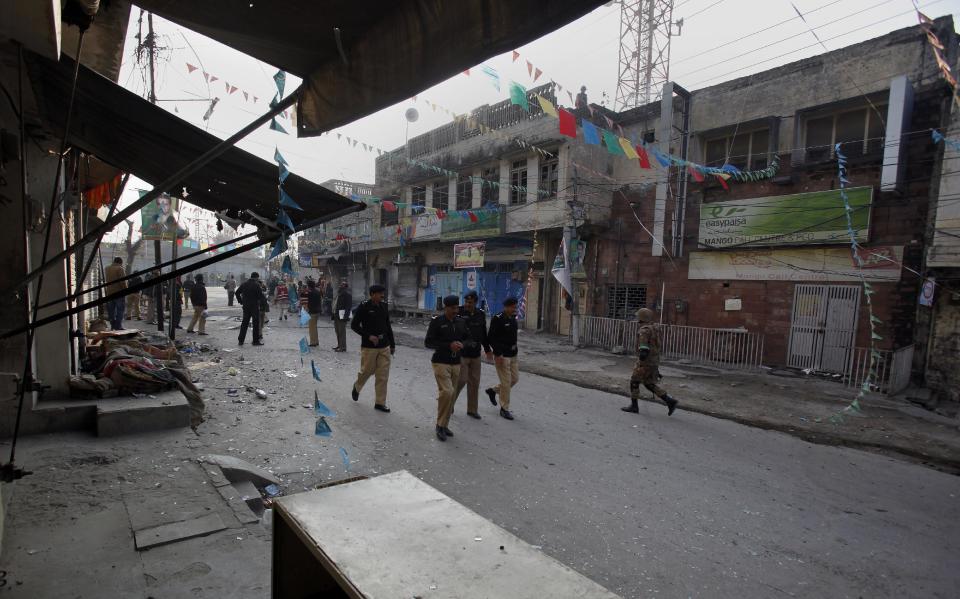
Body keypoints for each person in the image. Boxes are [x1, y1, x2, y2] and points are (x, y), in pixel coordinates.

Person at [425, 295, 473, 441]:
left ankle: (444, 425)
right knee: (447, 391)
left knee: (450, 395)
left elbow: (469, 339)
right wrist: (448, 345)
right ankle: (440, 425)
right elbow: (428, 342)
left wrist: (462, 344)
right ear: (445, 308)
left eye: (457, 308)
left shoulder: (461, 322)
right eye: (452, 308)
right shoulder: (437, 322)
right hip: (440, 362)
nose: (455, 310)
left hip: (456, 363)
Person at [622, 308, 679, 416]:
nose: (637, 319)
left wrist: (640, 364)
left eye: (638, 317)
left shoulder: (644, 330)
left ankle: (634, 406)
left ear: (641, 318)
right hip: (654, 360)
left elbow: (644, 349)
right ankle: (670, 401)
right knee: (648, 383)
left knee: (634, 381)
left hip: (646, 361)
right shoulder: (655, 328)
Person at [350, 284, 395, 412]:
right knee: (367, 371)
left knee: (382, 375)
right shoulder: (364, 306)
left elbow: (388, 326)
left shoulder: (384, 306)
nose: (382, 296)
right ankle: (357, 387)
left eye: (382, 293)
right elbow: (354, 325)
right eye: (380, 293)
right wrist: (368, 336)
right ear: (372, 294)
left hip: (384, 345)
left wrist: (392, 344)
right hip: (369, 346)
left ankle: (380, 403)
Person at [451, 291, 492, 420]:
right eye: (466, 302)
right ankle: (449, 403)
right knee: (461, 380)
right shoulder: (459, 312)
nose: (467, 304)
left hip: (476, 354)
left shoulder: (480, 314)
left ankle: (472, 410)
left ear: (475, 302)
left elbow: (483, 333)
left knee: (474, 382)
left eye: (470, 302)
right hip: (462, 353)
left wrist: (487, 349)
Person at [485, 297, 520, 420]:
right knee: (506, 382)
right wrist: (497, 354)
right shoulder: (498, 318)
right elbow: (491, 338)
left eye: (516, 307)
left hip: (513, 354)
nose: (515, 309)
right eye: (513, 307)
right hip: (502, 355)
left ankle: (493, 391)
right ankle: (504, 409)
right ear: (506, 307)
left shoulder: (513, 318)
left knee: (514, 379)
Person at [237, 272, 267, 346]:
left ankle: (241, 340)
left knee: (244, 323)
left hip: (246, 306)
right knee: (255, 324)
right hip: (254, 307)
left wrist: (241, 301)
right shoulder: (256, 285)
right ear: (256, 278)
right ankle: (255, 341)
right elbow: (261, 297)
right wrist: (263, 306)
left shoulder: (244, 284)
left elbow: (237, 293)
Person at [104, 257, 126, 330]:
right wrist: (126, 289)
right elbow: (122, 281)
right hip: (119, 292)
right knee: (120, 310)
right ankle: (118, 325)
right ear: (120, 262)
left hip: (109, 292)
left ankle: (112, 325)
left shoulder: (107, 268)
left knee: (111, 310)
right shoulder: (120, 269)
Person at [332, 281, 352, 352]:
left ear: (345, 287)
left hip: (342, 316)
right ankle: (339, 345)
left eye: (342, 285)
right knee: (337, 331)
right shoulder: (338, 294)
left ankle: (343, 347)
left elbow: (348, 307)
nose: (340, 286)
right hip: (336, 315)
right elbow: (335, 304)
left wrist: (345, 317)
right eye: (340, 284)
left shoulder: (347, 295)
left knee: (342, 332)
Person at [306, 279, 323, 346]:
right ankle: (316, 341)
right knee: (315, 327)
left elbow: (307, 302)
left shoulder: (310, 293)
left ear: (309, 286)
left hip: (312, 312)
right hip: (317, 311)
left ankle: (313, 342)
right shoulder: (317, 292)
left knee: (312, 328)